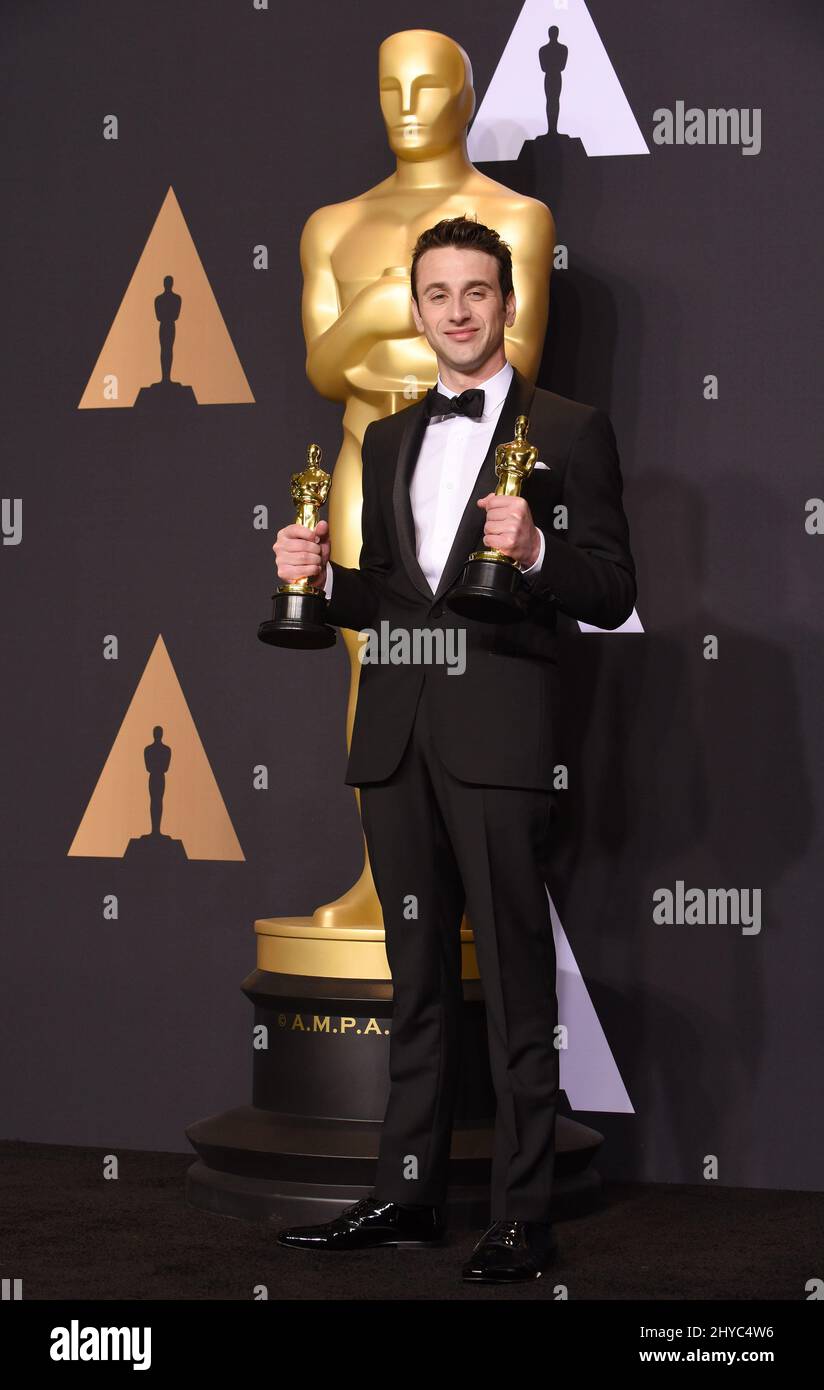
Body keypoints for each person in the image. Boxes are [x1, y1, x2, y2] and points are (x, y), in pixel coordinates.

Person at [272, 215, 636, 1283]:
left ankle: (520, 1214)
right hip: (394, 736)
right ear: (418, 305)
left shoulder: (569, 429)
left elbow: (613, 590)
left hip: (499, 739)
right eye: (438, 294)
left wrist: (537, 550)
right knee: (416, 980)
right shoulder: (387, 439)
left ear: (508, 303)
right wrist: (312, 578)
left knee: (516, 983)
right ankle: (403, 1195)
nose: (459, 312)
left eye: (478, 292)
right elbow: (390, 598)